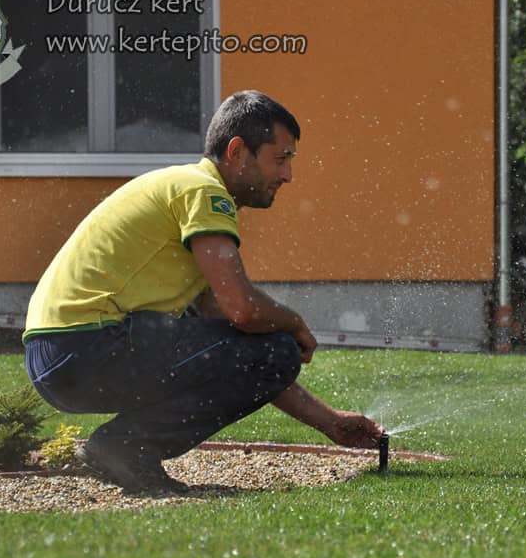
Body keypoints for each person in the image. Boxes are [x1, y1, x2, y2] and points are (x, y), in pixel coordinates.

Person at [23, 90, 383, 493]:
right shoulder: (204, 192)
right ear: (237, 151)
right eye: (280, 159)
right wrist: (294, 323)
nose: (288, 176)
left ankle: (125, 447)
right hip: (88, 348)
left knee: (265, 351)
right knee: (276, 348)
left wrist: (329, 421)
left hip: (59, 357)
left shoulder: (182, 187)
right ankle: (126, 447)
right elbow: (243, 310)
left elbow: (239, 348)